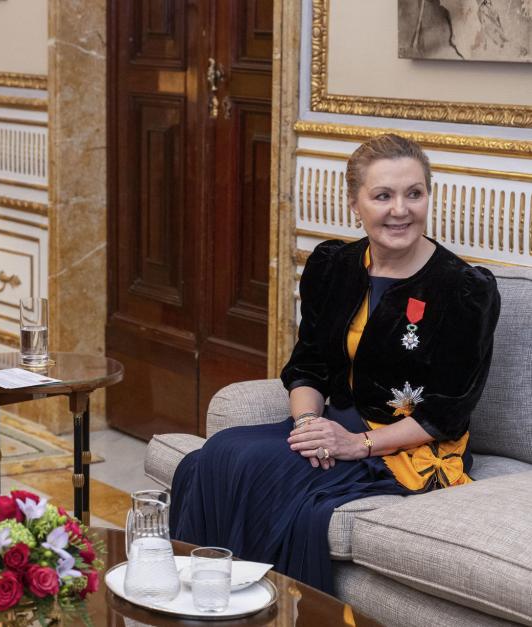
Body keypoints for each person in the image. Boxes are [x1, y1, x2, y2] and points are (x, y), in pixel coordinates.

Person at [169, 133, 500, 593]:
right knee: (214, 457)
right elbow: (307, 367)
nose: (400, 210)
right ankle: (199, 603)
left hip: (403, 449)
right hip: (328, 429)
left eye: (414, 193)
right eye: (382, 195)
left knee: (246, 468)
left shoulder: (464, 289)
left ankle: (266, 609)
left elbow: (446, 414)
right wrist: (308, 426)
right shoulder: (334, 266)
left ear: (428, 196)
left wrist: (355, 445)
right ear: (354, 204)